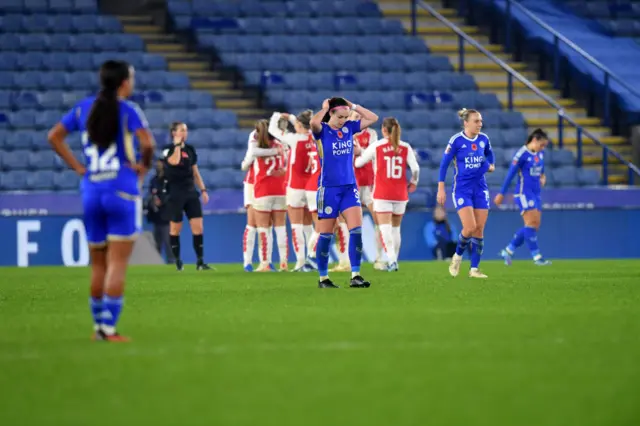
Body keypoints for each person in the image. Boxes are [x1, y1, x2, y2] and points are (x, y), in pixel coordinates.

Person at [47, 60, 155, 341]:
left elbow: (54, 136)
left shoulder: (84, 107)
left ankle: (98, 328)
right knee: (117, 263)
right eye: (131, 78)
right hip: (121, 189)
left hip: (91, 189)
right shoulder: (128, 110)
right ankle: (109, 329)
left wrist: (79, 168)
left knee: (98, 264)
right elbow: (148, 143)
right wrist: (143, 166)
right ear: (123, 83)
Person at [309, 97, 379, 288]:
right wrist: (324, 107)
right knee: (326, 234)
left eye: (346, 116)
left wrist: (354, 105)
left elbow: (373, 118)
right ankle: (323, 278)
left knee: (356, 230)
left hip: (349, 187)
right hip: (328, 189)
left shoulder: (349, 128)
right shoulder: (322, 131)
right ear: (330, 113)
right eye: (340, 116)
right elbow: (314, 122)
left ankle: (355, 275)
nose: (343, 120)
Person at [354, 117, 419, 271]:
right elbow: (415, 168)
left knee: (385, 228)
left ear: (383, 130)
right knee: (396, 229)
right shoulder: (405, 147)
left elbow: (359, 163)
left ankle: (391, 260)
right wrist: (414, 182)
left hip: (382, 193)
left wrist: (356, 153)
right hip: (400, 193)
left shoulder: (377, 146)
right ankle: (394, 259)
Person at [437, 108, 495, 279]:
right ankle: (457, 256)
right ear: (466, 123)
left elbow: (490, 155)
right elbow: (444, 164)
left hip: (480, 188)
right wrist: (441, 188)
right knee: (469, 227)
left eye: (481, 121)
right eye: (476, 121)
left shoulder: (484, 139)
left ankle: (474, 269)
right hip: (462, 189)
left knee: (479, 229)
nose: (480, 124)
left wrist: (491, 165)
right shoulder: (456, 141)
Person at [268, 109, 317, 272]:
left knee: (296, 226)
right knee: (309, 226)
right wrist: (291, 118)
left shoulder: (294, 139)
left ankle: (301, 262)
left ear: (298, 125)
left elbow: (272, 130)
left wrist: (278, 115)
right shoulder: (315, 138)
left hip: (295, 186)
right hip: (310, 186)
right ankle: (312, 258)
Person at [494, 128, 552, 265]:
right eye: (541, 144)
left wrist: (543, 176)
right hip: (524, 193)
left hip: (536, 193)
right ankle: (537, 257)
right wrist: (502, 193)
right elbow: (510, 174)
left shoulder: (540, 153)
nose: (542, 148)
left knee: (534, 225)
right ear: (534, 140)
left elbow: (541, 168)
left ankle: (508, 250)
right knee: (531, 224)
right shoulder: (522, 154)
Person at [162, 122, 211, 271]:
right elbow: (174, 162)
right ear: (174, 133)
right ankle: (177, 261)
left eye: (186, 130)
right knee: (175, 229)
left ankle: (200, 262)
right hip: (175, 194)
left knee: (198, 228)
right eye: (182, 130)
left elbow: (195, 172)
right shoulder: (167, 150)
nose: (185, 133)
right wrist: (177, 146)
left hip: (190, 192)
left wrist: (203, 190)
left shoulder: (190, 150)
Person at [241, 119, 288, 272]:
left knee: (262, 225)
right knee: (253, 223)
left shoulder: (263, 142)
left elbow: (248, 159)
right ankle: (248, 261)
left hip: (261, 186)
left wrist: (245, 164)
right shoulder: (260, 141)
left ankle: (264, 261)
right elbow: (250, 156)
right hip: (255, 185)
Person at [352, 110, 386, 270]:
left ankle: (379, 258)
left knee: (378, 219)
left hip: (369, 182)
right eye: (355, 117)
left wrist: (360, 151)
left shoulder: (371, 134)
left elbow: (373, 154)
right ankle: (347, 259)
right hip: (352, 182)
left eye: (360, 117)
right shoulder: (345, 132)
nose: (358, 119)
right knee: (347, 221)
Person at [145, 160, 174, 263]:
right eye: (157, 164)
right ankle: (156, 263)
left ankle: (171, 262)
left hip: (166, 216)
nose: (158, 166)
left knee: (168, 242)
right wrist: (153, 201)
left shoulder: (168, 180)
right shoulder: (153, 180)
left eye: (160, 164)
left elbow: (171, 195)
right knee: (157, 243)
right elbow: (150, 193)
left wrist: (162, 200)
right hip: (156, 216)